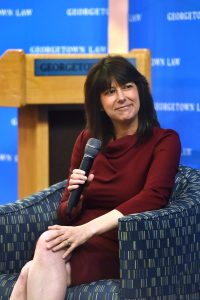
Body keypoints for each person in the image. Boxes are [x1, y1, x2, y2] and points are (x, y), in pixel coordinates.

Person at [10, 55, 181, 300]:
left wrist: (86, 231)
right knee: (35, 265)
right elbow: (65, 214)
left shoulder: (164, 141)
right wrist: (77, 194)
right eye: (110, 91)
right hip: (80, 239)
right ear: (100, 103)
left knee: (33, 267)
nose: (121, 97)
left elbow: (153, 197)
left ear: (140, 91)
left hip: (126, 243)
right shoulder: (89, 140)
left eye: (127, 87)